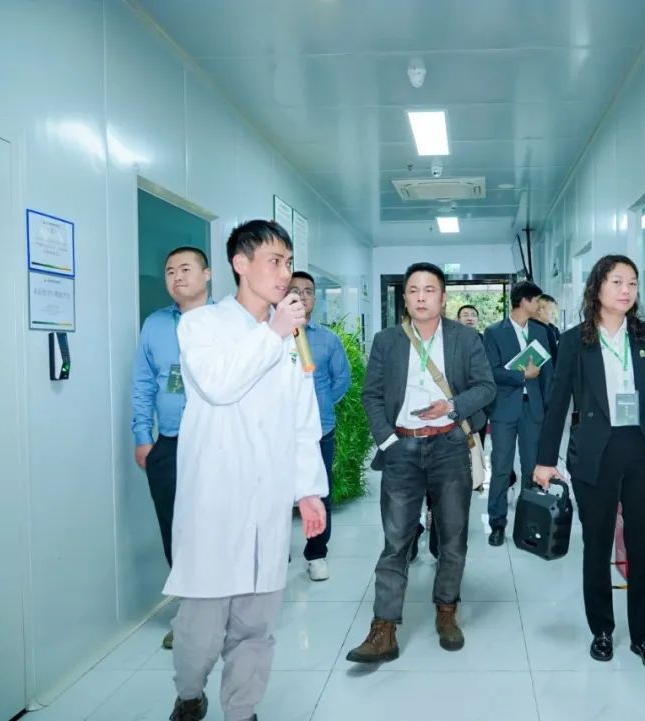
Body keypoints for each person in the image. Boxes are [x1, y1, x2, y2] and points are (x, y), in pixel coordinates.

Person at [165, 220, 328, 721]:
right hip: (215, 498)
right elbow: (219, 384)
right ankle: (189, 694)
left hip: (268, 499)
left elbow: (303, 419)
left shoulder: (292, 336)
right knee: (200, 628)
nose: (284, 273)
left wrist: (308, 490)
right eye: (274, 261)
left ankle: (242, 710)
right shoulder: (201, 325)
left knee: (256, 626)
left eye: (288, 262)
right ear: (241, 264)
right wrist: (272, 333)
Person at [533, 254, 645, 672]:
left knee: (643, 548)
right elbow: (557, 403)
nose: (626, 290)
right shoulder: (574, 341)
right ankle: (602, 630)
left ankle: (644, 637)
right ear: (597, 287)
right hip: (595, 453)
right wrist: (544, 460)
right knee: (597, 546)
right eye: (617, 282)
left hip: (642, 449)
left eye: (632, 283)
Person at [346, 262, 495, 663]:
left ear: (443, 298)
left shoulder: (465, 338)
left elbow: (486, 387)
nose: (421, 297)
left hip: (449, 446)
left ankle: (446, 610)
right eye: (413, 290)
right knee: (396, 540)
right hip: (402, 449)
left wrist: (452, 405)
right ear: (405, 298)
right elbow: (371, 394)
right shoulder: (387, 340)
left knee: (453, 537)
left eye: (430, 290)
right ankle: (384, 629)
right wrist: (388, 441)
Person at [130, 246, 211, 650]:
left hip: (217, 444)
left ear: (207, 274)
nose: (177, 277)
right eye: (169, 271)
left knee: (217, 526)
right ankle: (189, 612)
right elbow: (144, 382)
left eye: (185, 269)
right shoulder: (156, 324)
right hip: (170, 443)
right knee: (175, 529)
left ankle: (223, 610)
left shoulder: (228, 321)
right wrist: (143, 436)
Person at [289, 271, 353, 582]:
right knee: (274, 494)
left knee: (318, 491)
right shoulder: (269, 334)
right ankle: (276, 552)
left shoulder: (328, 339)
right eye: (295, 290)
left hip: (319, 430)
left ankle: (316, 554)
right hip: (276, 431)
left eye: (308, 291)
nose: (302, 296)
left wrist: (321, 404)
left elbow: (343, 378)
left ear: (315, 298)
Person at [482, 280, 554, 546]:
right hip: (504, 409)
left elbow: (548, 373)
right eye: (536, 301)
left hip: (533, 409)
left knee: (531, 467)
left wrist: (548, 408)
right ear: (524, 301)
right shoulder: (493, 332)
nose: (539, 306)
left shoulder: (541, 331)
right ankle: (497, 523)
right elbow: (490, 371)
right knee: (501, 467)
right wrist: (522, 376)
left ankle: (527, 523)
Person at [532, 293, 561, 363]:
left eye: (554, 309)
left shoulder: (554, 330)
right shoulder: (532, 329)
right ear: (539, 310)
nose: (553, 313)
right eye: (551, 309)